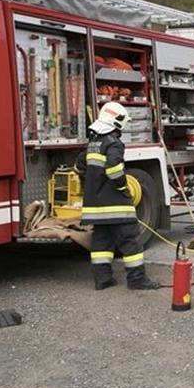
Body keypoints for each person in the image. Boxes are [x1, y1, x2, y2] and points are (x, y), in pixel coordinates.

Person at [74, 101, 158, 290]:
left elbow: (78, 167)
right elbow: (113, 170)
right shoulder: (114, 143)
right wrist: (123, 188)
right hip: (116, 205)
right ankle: (137, 280)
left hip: (94, 207)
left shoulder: (92, 144)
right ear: (117, 122)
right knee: (130, 241)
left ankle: (102, 279)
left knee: (101, 243)